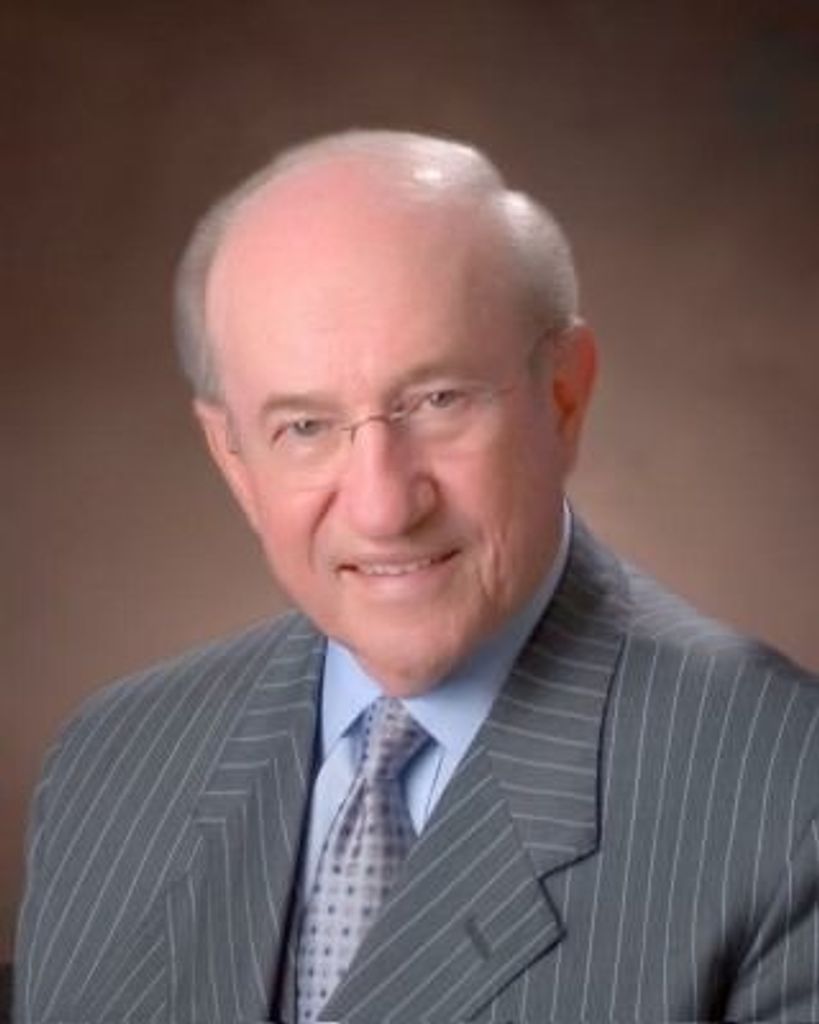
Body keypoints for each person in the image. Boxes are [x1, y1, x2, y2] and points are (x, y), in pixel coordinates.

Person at [15, 130, 819, 1024]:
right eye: (305, 427)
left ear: (563, 396)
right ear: (232, 457)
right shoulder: (109, 764)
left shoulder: (785, 793)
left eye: (438, 400)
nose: (383, 507)